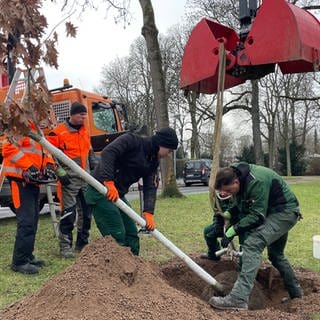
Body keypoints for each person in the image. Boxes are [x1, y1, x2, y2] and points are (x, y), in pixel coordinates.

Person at [209, 162, 303, 310]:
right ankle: (297, 294)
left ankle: (238, 298)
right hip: (273, 212)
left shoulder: (256, 181)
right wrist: (228, 214)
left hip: (284, 212)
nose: (228, 194)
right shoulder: (238, 179)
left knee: (253, 243)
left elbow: (257, 215)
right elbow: (241, 204)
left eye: (228, 190)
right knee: (276, 255)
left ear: (235, 182)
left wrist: (233, 231)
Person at [85, 127, 178, 256]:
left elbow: (150, 186)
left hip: (118, 194)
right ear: (161, 143)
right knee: (117, 234)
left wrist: (148, 212)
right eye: (169, 150)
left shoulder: (152, 161)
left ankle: (136, 270)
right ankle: (117, 272)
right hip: (100, 190)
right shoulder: (132, 141)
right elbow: (108, 152)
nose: (168, 154)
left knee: (131, 234)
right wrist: (109, 181)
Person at [2, 122, 56, 274]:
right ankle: (19, 261)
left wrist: (50, 165)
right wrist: (29, 166)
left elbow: (45, 152)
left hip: (33, 181)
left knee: (33, 220)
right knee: (26, 221)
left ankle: (27, 256)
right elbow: (8, 148)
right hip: (20, 180)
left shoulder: (37, 130)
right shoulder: (19, 127)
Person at [47, 102, 97, 258]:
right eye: (81, 114)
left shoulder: (85, 131)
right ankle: (65, 247)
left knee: (87, 213)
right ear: (72, 114)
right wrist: (60, 172)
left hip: (86, 178)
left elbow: (89, 151)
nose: (84, 117)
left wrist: (94, 167)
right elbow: (50, 154)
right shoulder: (58, 132)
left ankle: (82, 243)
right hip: (69, 179)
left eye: (85, 114)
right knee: (69, 213)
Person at [200, 191, 238, 261]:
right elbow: (217, 214)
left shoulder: (237, 197)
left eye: (225, 191)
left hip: (238, 225)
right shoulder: (218, 199)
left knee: (245, 236)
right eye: (221, 191)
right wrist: (216, 224)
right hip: (223, 225)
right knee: (208, 231)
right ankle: (213, 255)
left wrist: (230, 230)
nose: (222, 194)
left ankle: (243, 261)